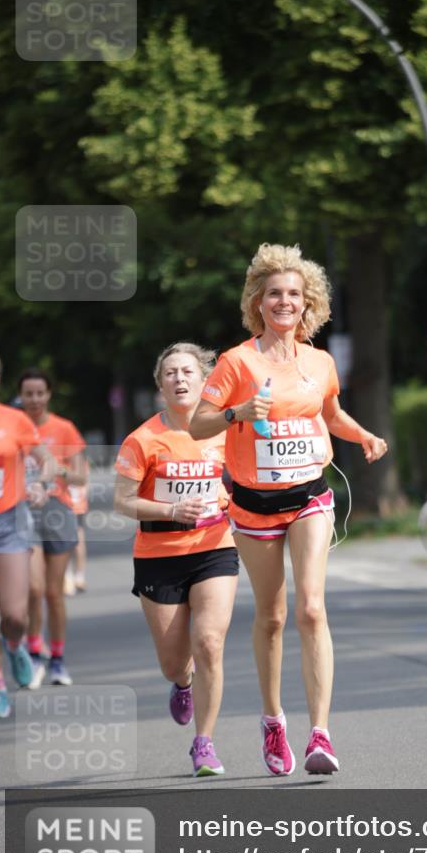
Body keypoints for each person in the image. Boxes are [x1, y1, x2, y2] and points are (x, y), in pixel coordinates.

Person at [190, 243, 387, 776]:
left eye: (294, 294)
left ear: (309, 304)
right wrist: (235, 412)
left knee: (312, 609)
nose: (285, 302)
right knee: (273, 617)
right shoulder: (236, 362)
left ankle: (319, 735)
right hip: (254, 505)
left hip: (309, 497)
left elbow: (332, 413)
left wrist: (363, 434)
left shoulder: (319, 362)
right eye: (274, 293)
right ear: (258, 302)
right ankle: (273, 719)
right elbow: (198, 426)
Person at [113, 342, 239, 777]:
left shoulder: (225, 433)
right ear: (160, 384)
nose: (179, 379)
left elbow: (244, 480)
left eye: (187, 372)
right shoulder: (142, 439)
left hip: (214, 547)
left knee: (209, 643)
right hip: (158, 555)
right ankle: (182, 683)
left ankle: (203, 744)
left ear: (204, 380)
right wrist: (169, 510)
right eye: (170, 373)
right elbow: (123, 501)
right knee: (174, 660)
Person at [0, 351, 54, 718]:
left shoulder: (13, 420)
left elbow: (48, 461)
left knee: (13, 614)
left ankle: (15, 646)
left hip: (10, 520)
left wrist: (41, 485)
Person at [18, 369, 88, 688]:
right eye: (28, 394)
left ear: (48, 395)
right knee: (32, 590)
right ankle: (34, 653)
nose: (33, 399)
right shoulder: (11, 427)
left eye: (39, 393)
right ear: (21, 396)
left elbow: (80, 477)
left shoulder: (63, 428)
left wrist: (54, 468)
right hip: (21, 512)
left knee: (52, 593)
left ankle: (58, 659)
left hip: (57, 511)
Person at [64, 462, 90, 595]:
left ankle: (78, 576)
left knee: (77, 540)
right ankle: (69, 576)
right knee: (66, 542)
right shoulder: (59, 457)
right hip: (64, 504)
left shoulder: (79, 460)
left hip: (75, 503)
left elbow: (85, 482)